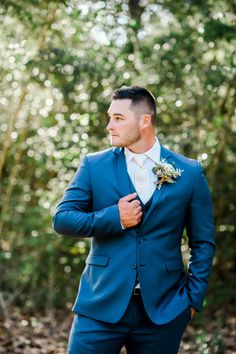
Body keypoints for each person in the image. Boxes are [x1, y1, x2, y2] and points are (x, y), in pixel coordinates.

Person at [53, 86, 215, 354]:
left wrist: (192, 300)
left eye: (118, 118)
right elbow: (62, 219)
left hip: (164, 310)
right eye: (110, 117)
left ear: (144, 121)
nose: (109, 126)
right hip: (100, 305)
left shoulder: (189, 172)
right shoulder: (94, 165)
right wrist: (113, 218)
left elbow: (203, 241)